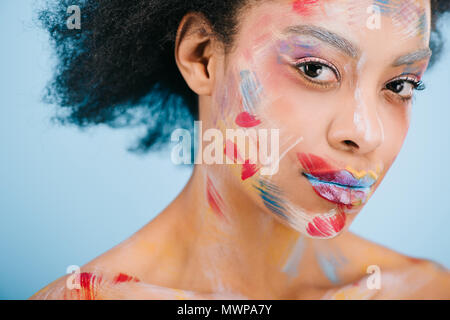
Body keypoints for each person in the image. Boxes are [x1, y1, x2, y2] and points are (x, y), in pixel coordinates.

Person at [31, 0, 450, 299]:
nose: (366, 132)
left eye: (400, 85)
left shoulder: (426, 291)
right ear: (204, 57)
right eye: (315, 69)